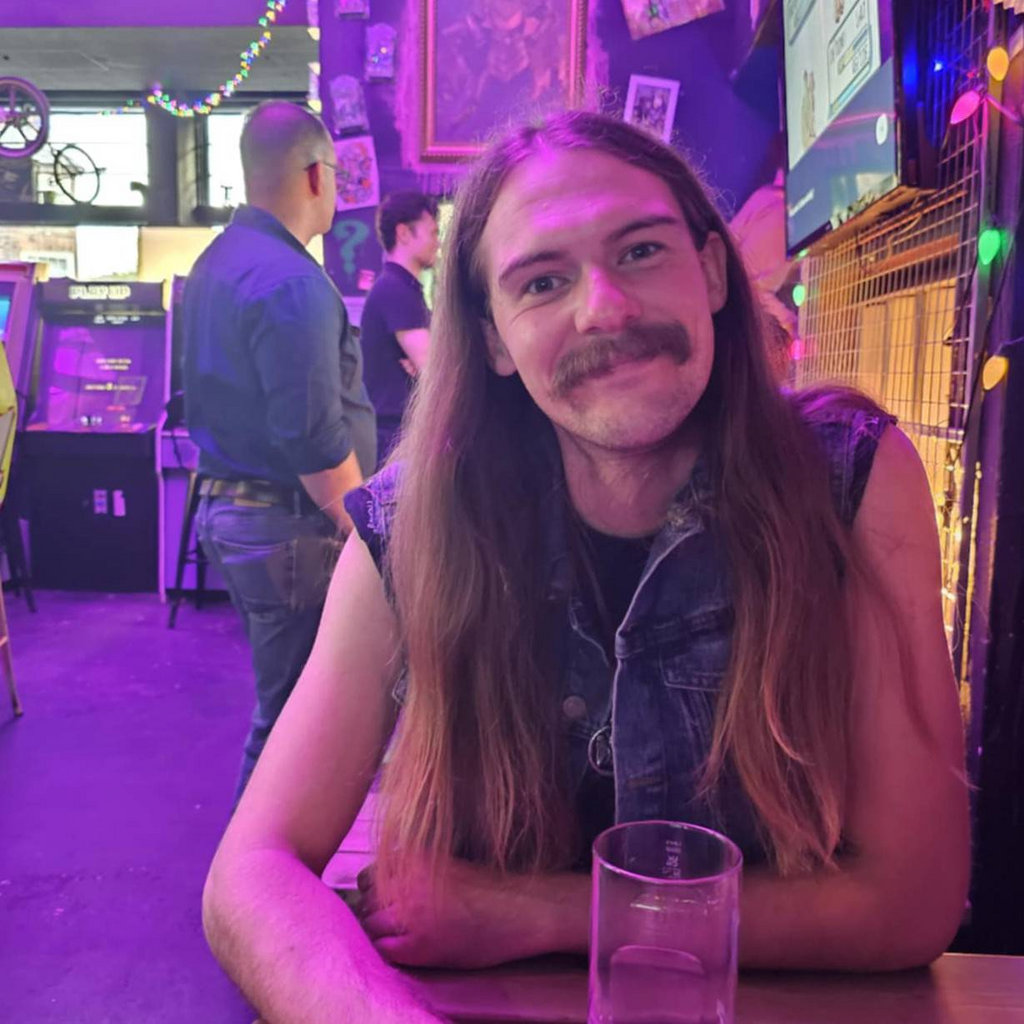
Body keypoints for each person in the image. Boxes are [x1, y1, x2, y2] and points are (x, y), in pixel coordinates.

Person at [202, 111, 969, 1022]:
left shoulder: (849, 481)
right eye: (542, 281)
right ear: (493, 339)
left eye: (641, 251)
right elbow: (252, 872)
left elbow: (911, 900)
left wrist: (530, 911)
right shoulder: (414, 525)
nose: (604, 307)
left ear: (711, 272)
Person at [183, 101, 376, 802]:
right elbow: (311, 437)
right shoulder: (292, 281)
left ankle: (268, 852)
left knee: (287, 709)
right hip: (288, 525)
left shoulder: (218, 260)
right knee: (294, 722)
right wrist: (368, 535)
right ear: (317, 176)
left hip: (235, 512)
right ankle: (254, 864)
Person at [359, 191, 439, 467]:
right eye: (433, 232)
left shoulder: (401, 288)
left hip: (398, 435)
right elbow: (436, 371)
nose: (437, 242)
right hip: (396, 439)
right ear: (404, 233)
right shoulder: (396, 290)